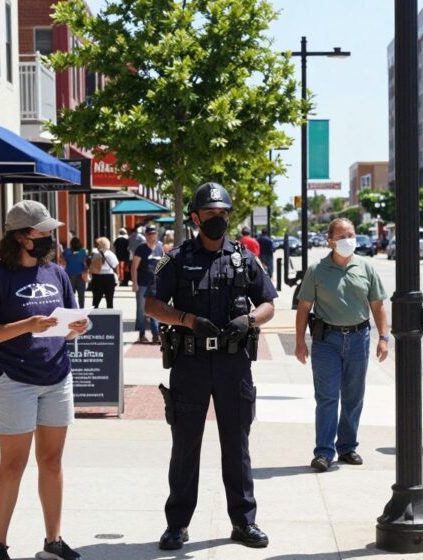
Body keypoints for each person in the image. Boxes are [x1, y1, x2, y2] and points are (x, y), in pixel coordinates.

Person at [145, 182, 276, 550]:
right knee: (186, 445)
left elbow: (268, 303)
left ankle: (244, 522)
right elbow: (152, 305)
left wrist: (250, 321)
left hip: (233, 363)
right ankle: (177, 525)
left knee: (237, 444)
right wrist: (186, 319)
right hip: (191, 361)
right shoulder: (177, 257)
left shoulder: (243, 258)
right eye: (210, 214)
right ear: (195, 217)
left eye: (223, 214)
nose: (218, 219)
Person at [0, 200, 88, 560]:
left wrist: (76, 328)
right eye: (42, 231)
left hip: (56, 375)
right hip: (14, 380)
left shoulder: (56, 273)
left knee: (51, 461)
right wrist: (28, 325)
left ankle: (53, 541)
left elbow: (66, 325)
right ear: (21, 237)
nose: (49, 237)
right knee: (13, 464)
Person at [295, 217, 390, 472]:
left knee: (353, 396)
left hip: (359, 339)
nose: (349, 240)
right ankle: (324, 452)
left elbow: (378, 305)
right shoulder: (317, 270)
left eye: (351, 234)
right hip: (327, 341)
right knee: (327, 397)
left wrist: (383, 338)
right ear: (330, 241)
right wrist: (299, 343)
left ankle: (347, 447)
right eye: (342, 236)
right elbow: (304, 308)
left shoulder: (366, 268)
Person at [131, 225, 163, 344]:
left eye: (153, 234)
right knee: (141, 310)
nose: (151, 236)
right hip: (142, 283)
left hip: (156, 284)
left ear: (156, 235)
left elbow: (164, 266)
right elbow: (134, 267)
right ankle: (142, 334)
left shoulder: (160, 248)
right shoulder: (141, 249)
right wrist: (134, 283)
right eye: (149, 234)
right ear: (146, 235)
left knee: (156, 309)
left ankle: (156, 335)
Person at [89, 237, 119, 309]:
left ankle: (93, 316)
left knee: (96, 300)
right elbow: (115, 264)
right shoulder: (111, 254)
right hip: (109, 277)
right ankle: (110, 316)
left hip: (97, 277)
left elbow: (92, 265)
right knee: (109, 300)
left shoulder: (96, 254)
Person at [61, 237, 87, 309]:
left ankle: (71, 308)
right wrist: (86, 272)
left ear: (71, 244)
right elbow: (84, 263)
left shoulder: (66, 252)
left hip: (69, 274)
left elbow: (62, 262)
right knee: (81, 294)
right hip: (81, 275)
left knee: (70, 294)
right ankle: (81, 308)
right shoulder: (83, 251)